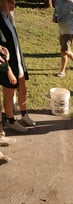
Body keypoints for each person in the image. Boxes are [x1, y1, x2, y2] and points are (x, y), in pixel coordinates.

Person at [0, 0, 36, 133]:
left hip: (18, 60)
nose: (13, 3)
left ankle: (24, 115)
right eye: (9, 1)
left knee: (23, 89)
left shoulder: (9, 17)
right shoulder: (1, 18)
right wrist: (8, 70)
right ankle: (11, 121)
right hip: (7, 64)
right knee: (8, 93)